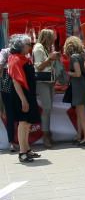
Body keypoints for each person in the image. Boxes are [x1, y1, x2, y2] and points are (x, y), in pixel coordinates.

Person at [6, 35, 42, 163]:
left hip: (27, 94)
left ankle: (26, 149)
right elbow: (16, 81)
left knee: (27, 123)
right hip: (20, 95)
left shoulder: (23, 58)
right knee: (23, 122)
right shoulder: (15, 59)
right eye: (28, 44)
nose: (30, 46)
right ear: (21, 46)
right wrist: (23, 100)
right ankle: (22, 152)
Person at [63, 36, 85, 145]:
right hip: (83, 86)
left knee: (81, 113)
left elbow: (78, 73)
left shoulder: (74, 57)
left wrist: (68, 73)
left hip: (78, 87)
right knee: (80, 112)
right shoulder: (82, 55)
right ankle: (80, 135)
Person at [32, 29, 58, 148]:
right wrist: (50, 59)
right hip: (42, 82)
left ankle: (47, 133)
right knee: (47, 108)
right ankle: (45, 135)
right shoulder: (38, 48)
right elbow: (39, 67)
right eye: (52, 37)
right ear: (47, 37)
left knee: (48, 108)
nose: (54, 39)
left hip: (49, 82)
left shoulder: (46, 48)